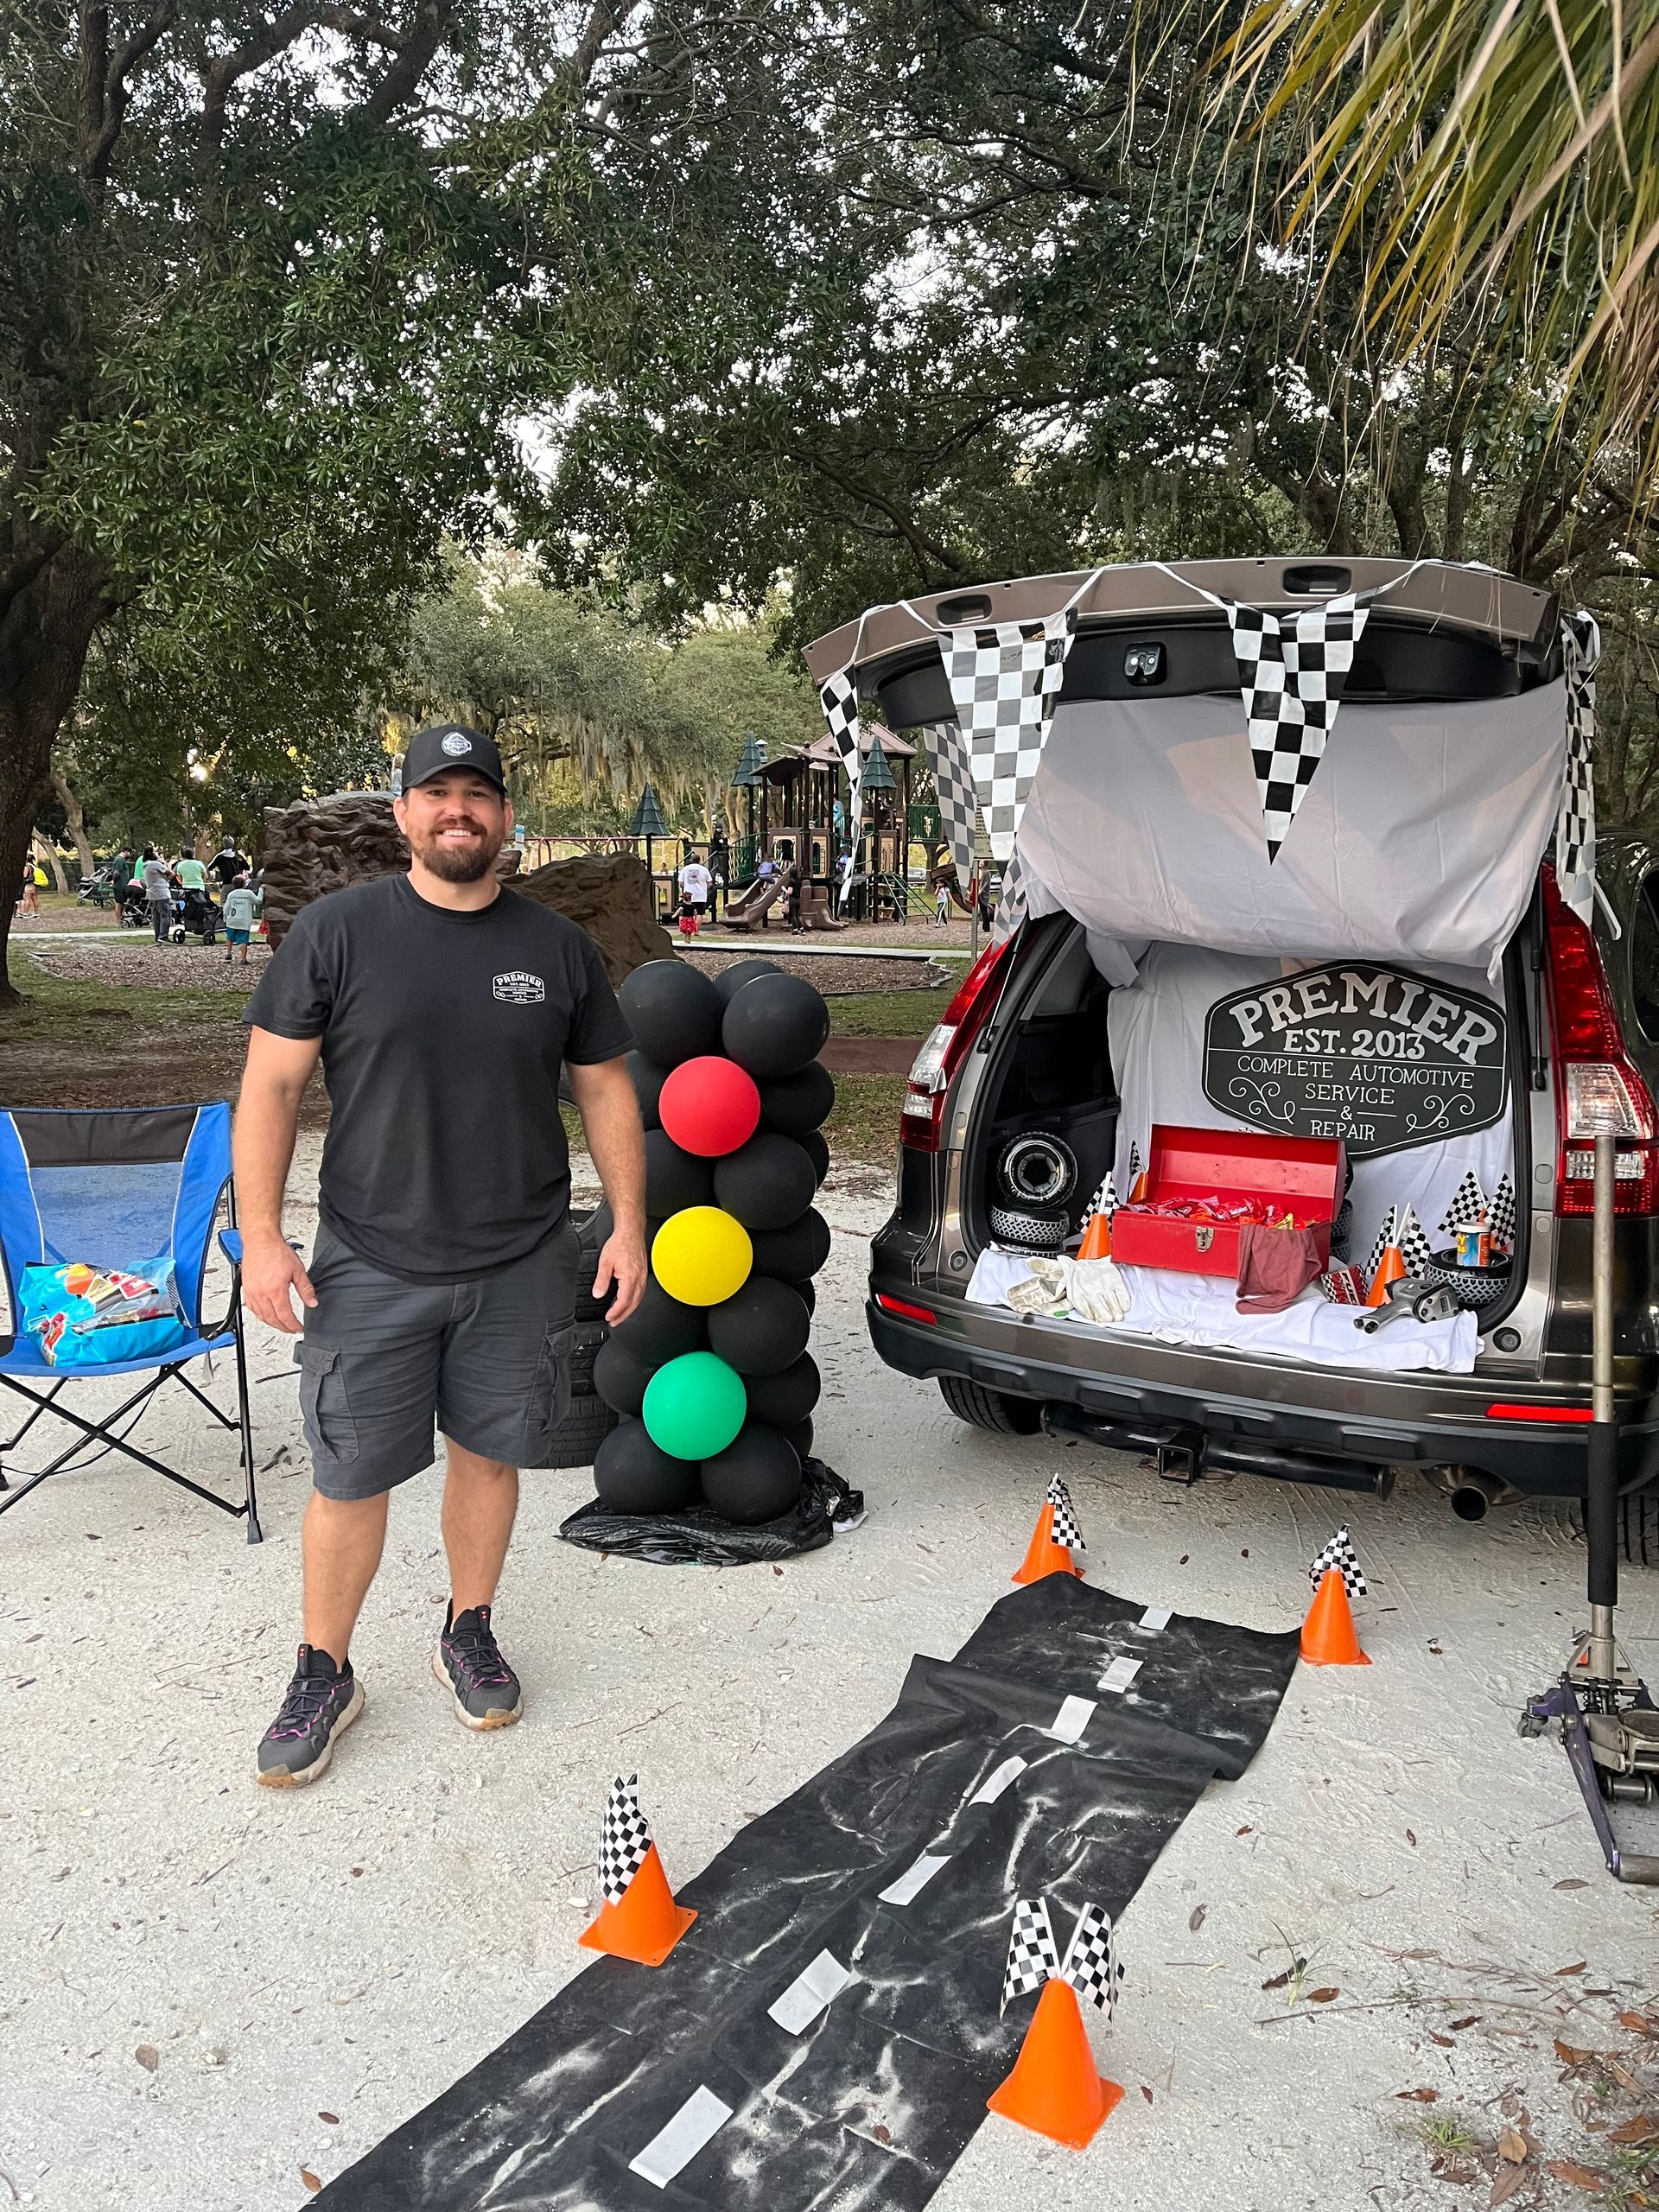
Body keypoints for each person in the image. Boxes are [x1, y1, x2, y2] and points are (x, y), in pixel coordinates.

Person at [238, 721, 647, 1789]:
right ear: (404, 813)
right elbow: (271, 1087)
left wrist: (632, 1223)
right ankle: (324, 1669)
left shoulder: (555, 949)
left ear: (506, 818)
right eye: (437, 793)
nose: (458, 809)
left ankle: (468, 1627)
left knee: (491, 1454)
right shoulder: (335, 933)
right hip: (369, 1261)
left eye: (478, 793)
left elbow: (607, 1087)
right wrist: (265, 1236)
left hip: (519, 1259)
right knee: (349, 1474)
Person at [222, 874, 258, 966]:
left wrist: (225, 917)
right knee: (243, 940)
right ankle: (243, 958)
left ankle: (228, 953)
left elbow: (226, 907)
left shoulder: (231, 894)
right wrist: (261, 891)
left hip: (232, 919)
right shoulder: (248, 893)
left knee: (229, 937)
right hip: (244, 920)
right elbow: (258, 901)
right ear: (244, 884)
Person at [141, 847, 175, 943]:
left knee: (156, 915)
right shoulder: (155, 864)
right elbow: (171, 873)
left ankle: (158, 935)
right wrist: (163, 861)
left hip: (152, 892)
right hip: (161, 891)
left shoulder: (146, 865)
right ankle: (163, 935)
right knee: (165, 914)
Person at [706, 826, 728, 917]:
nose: (720, 829)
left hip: (717, 852)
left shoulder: (718, 834)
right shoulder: (716, 835)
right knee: (716, 866)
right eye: (718, 828)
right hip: (716, 852)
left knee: (718, 866)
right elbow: (720, 841)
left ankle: (719, 877)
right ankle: (715, 878)